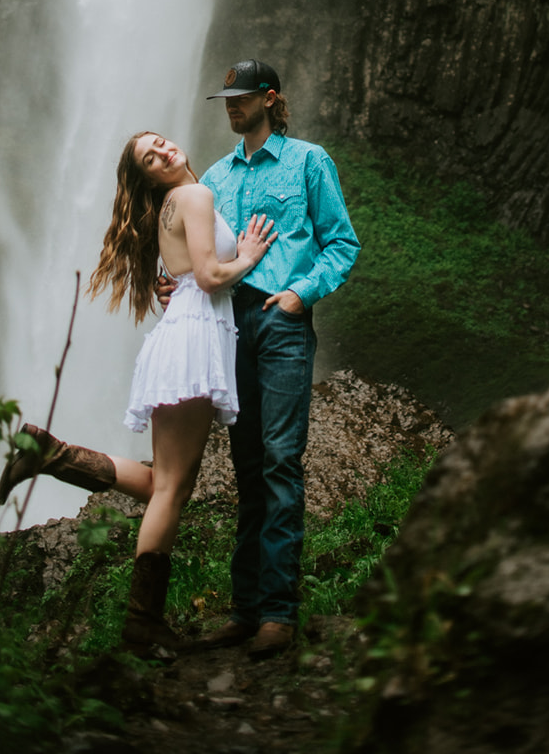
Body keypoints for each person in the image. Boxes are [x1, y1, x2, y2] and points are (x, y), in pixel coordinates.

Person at [0, 128, 276, 657]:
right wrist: (251, 255)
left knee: (164, 485)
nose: (166, 151)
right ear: (148, 175)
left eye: (163, 143)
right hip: (194, 338)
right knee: (171, 489)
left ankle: (51, 454)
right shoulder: (193, 196)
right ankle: (141, 623)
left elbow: (186, 273)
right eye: (152, 156)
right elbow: (212, 277)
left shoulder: (175, 201)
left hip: (185, 334)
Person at [191, 58, 360, 659]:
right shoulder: (214, 177)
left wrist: (300, 293)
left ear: (270, 97)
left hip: (283, 326)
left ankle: (278, 614)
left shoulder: (309, 161)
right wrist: (174, 285)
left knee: (282, 461)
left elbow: (342, 243)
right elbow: (201, 257)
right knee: (246, 464)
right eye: (226, 98)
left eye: (241, 96)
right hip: (230, 324)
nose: (231, 105)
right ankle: (245, 609)